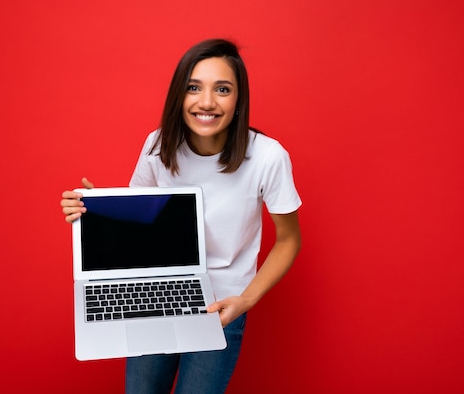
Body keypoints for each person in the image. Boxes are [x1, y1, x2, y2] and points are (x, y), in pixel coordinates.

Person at [60, 39, 302, 394]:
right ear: (179, 96)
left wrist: (246, 299)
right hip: (154, 292)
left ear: (238, 101)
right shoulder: (158, 145)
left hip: (221, 306)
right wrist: (95, 210)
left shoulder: (268, 157)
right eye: (193, 88)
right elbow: (140, 221)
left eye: (222, 89)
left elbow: (288, 239)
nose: (207, 102)